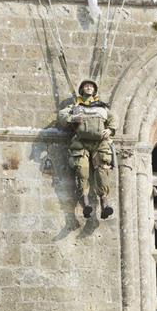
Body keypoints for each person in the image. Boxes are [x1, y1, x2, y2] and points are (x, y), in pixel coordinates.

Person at [58, 80, 117, 219]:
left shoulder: (102, 108)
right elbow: (61, 115)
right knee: (82, 171)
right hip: (81, 143)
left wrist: (110, 129)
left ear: (94, 90)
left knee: (103, 171)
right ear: (82, 89)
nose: (89, 87)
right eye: (86, 86)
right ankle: (85, 204)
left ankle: (105, 203)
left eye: (91, 86)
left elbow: (113, 118)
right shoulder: (76, 106)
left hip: (100, 143)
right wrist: (73, 118)